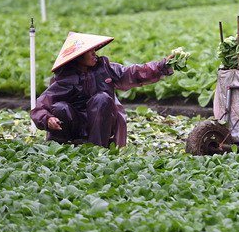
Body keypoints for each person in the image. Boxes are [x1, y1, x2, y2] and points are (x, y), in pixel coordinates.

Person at [30, 31, 175, 147]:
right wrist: (47, 119)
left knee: (102, 98)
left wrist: (162, 66)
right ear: (79, 57)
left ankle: (97, 149)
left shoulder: (105, 68)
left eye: (94, 50)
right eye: (90, 51)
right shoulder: (64, 78)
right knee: (60, 108)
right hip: (76, 124)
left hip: (103, 124)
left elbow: (134, 72)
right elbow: (41, 105)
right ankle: (62, 147)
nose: (95, 53)